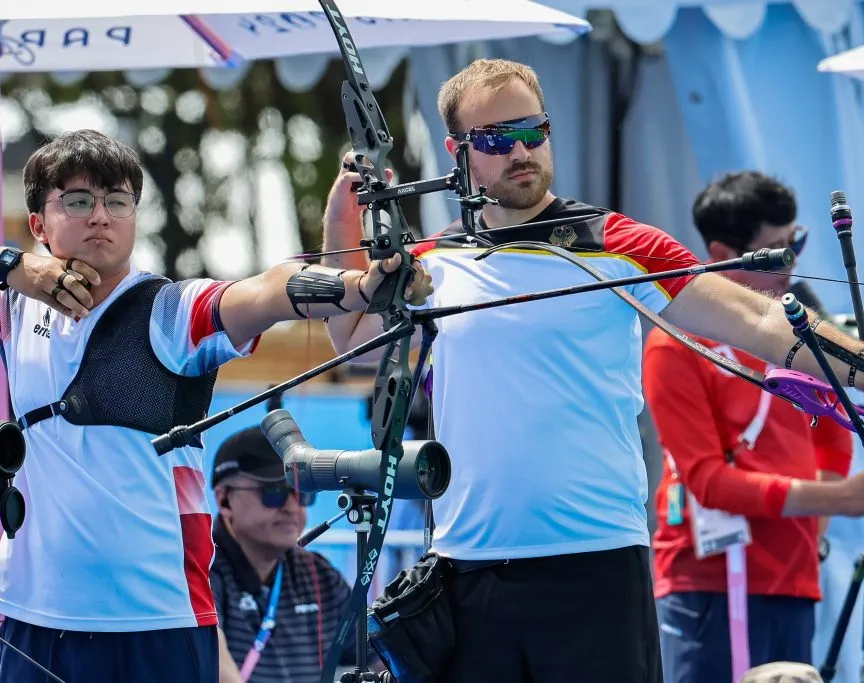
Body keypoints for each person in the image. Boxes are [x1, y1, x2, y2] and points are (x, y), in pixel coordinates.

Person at [320, 58, 864, 683]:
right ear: (458, 151)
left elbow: (761, 321)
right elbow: (355, 337)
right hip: (466, 570)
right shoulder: (435, 259)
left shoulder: (618, 242)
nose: (521, 151)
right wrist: (344, 213)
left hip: (596, 564)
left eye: (533, 131)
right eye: (497, 139)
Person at [0, 129, 431, 683]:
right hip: (32, 612)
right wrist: (16, 267)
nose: (101, 216)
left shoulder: (169, 311)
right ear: (39, 224)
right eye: (78, 201)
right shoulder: (11, 305)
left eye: (118, 202)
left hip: (157, 618)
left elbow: (265, 291)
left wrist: (361, 287)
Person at [643, 172, 851, 682]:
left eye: (795, 243)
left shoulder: (801, 330)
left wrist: (815, 534)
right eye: (775, 250)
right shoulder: (678, 343)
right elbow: (708, 481)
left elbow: (833, 440)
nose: (792, 264)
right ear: (723, 253)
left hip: (794, 577)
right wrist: (840, 500)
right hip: (709, 584)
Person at [209, 426, 356, 683]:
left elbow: (379, 653)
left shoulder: (321, 576)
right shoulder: (201, 570)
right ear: (225, 500)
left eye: (301, 494)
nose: (291, 507)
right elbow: (215, 664)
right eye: (274, 493)